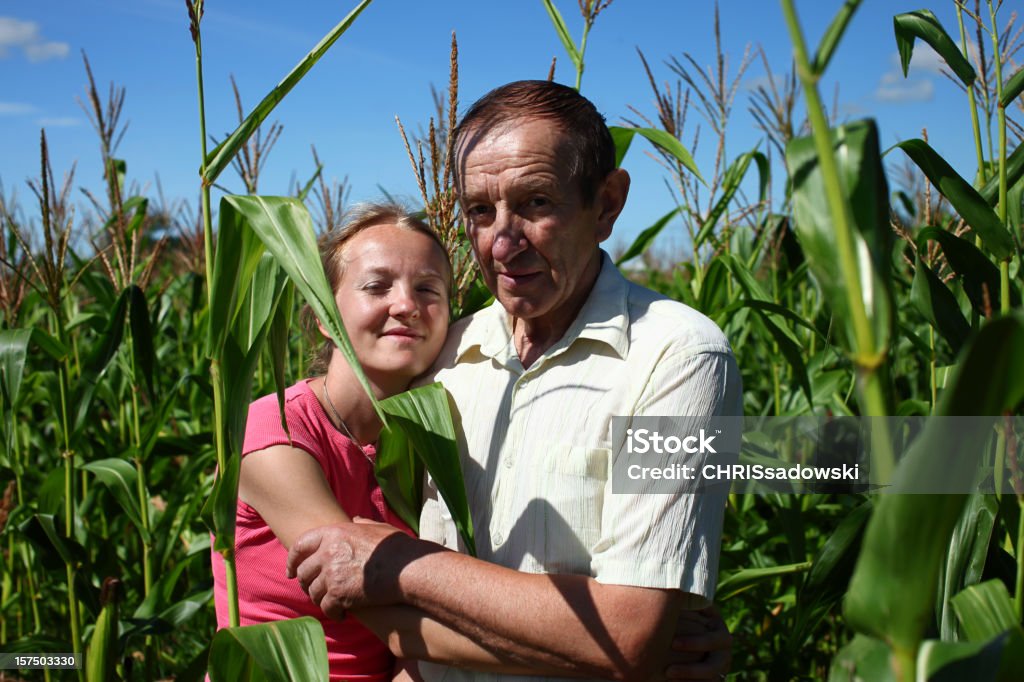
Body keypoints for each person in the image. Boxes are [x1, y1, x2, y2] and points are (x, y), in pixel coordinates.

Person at [287, 80, 742, 681]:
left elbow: (629, 633)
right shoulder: (441, 347)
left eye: (534, 203)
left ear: (606, 204)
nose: (501, 243)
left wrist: (401, 563)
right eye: (480, 210)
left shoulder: (677, 356)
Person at [210, 204, 452, 681]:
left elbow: (413, 653)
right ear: (324, 315)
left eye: (427, 289)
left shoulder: (430, 440)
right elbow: (383, 606)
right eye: (376, 286)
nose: (406, 305)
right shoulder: (274, 432)